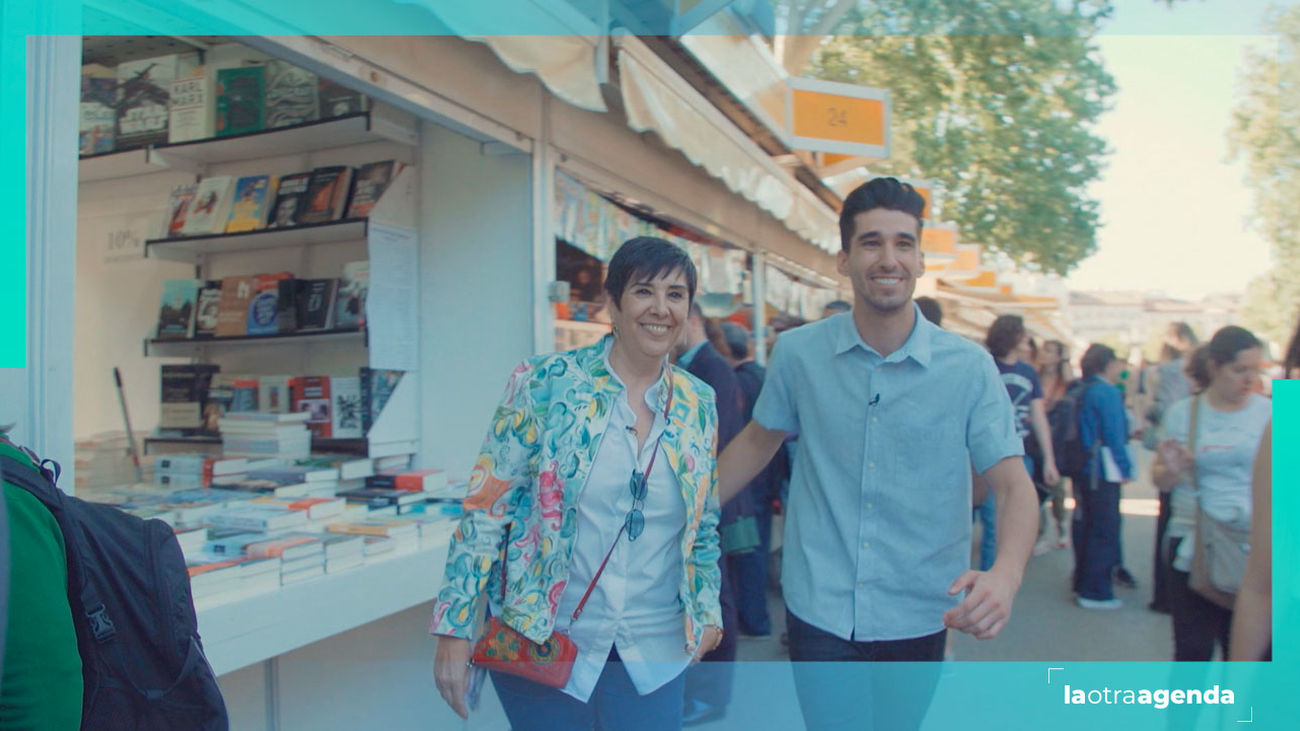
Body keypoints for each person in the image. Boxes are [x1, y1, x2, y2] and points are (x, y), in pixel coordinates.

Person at [716, 177, 1037, 731]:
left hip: (919, 608)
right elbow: (754, 445)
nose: (888, 258)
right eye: (871, 243)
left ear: (918, 259)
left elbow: (1013, 484)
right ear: (844, 259)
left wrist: (1005, 574)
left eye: (903, 243)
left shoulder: (969, 368)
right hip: (820, 605)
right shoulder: (799, 354)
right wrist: (671, 517)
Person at [430, 237, 723, 731]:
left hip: (655, 649)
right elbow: (486, 506)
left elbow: (705, 524)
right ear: (612, 303)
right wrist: (454, 628)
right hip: (544, 644)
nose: (661, 309)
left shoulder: (699, 403)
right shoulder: (544, 383)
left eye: (675, 295)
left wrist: (708, 612)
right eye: (643, 291)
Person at [1150, 326, 1269, 659]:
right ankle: (1186, 712)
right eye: (1239, 370)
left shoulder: (1271, 413)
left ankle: (1239, 713)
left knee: (1249, 655)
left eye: (1255, 371)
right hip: (1194, 542)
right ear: (1215, 366)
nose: (1249, 379)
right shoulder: (1183, 413)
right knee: (1192, 653)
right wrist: (1171, 471)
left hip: (1253, 543)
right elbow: (1160, 480)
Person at [673, 303, 747, 727]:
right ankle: (703, 695)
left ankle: (712, 697)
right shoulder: (696, 363)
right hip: (703, 498)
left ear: (694, 319)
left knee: (717, 600)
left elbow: (722, 439)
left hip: (711, 498)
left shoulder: (710, 367)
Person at [977, 316, 1059, 572]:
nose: (1028, 341)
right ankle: (989, 580)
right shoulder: (984, 365)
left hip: (1021, 453)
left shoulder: (1028, 372)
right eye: (1023, 335)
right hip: (988, 454)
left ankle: (1002, 576)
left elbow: (1038, 416)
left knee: (1013, 520)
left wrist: (1049, 459)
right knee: (993, 523)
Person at [718, 320, 783, 642]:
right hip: (765, 479)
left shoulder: (739, 382)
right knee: (755, 549)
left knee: (748, 553)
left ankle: (755, 620)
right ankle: (758, 620)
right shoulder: (761, 374)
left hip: (746, 480)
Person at [1070, 344, 1134, 609]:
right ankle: (1096, 591)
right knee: (1105, 528)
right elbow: (1113, 435)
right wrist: (1125, 468)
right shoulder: (1107, 392)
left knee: (1084, 523)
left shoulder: (1078, 388)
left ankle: (1081, 581)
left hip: (1080, 465)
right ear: (1108, 364)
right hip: (1102, 469)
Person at [1148, 323, 1198, 612]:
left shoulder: (1165, 370)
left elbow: (1158, 406)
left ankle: (1164, 595)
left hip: (1170, 442)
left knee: (1167, 522)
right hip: (1178, 447)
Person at [1034, 339, 1072, 552]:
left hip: (1058, 441)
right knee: (1036, 490)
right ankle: (1040, 533)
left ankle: (1062, 524)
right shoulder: (1034, 375)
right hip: (1035, 441)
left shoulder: (1065, 381)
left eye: (1049, 351)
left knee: (1057, 489)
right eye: (1043, 350)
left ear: (1058, 357)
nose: (1044, 354)